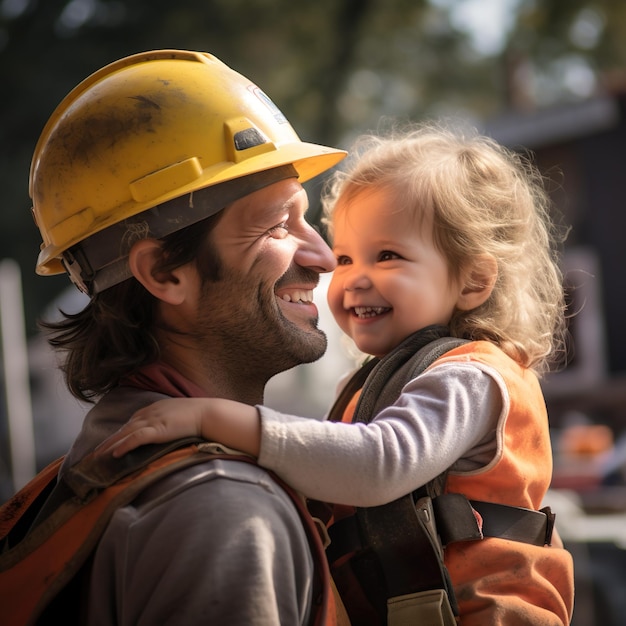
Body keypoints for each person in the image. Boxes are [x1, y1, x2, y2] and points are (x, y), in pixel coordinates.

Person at [97, 123, 576, 625]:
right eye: (346, 256)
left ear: (474, 280)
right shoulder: (382, 380)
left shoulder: (471, 378)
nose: (344, 274)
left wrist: (214, 419)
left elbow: (379, 464)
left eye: (387, 255)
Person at [0, 49, 348, 626]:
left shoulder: (84, 478)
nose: (324, 256)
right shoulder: (224, 514)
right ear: (164, 273)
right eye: (279, 224)